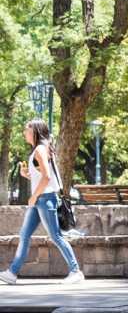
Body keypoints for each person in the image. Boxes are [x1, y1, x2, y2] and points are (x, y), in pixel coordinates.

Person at [0, 119, 83, 285]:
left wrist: (33, 196)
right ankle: (12, 273)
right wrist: (27, 174)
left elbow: (47, 178)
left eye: (27, 130)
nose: (24, 133)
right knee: (24, 235)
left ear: (35, 132)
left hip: (45, 199)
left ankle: (75, 271)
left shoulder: (39, 149)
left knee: (56, 236)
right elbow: (41, 176)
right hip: (41, 199)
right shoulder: (39, 149)